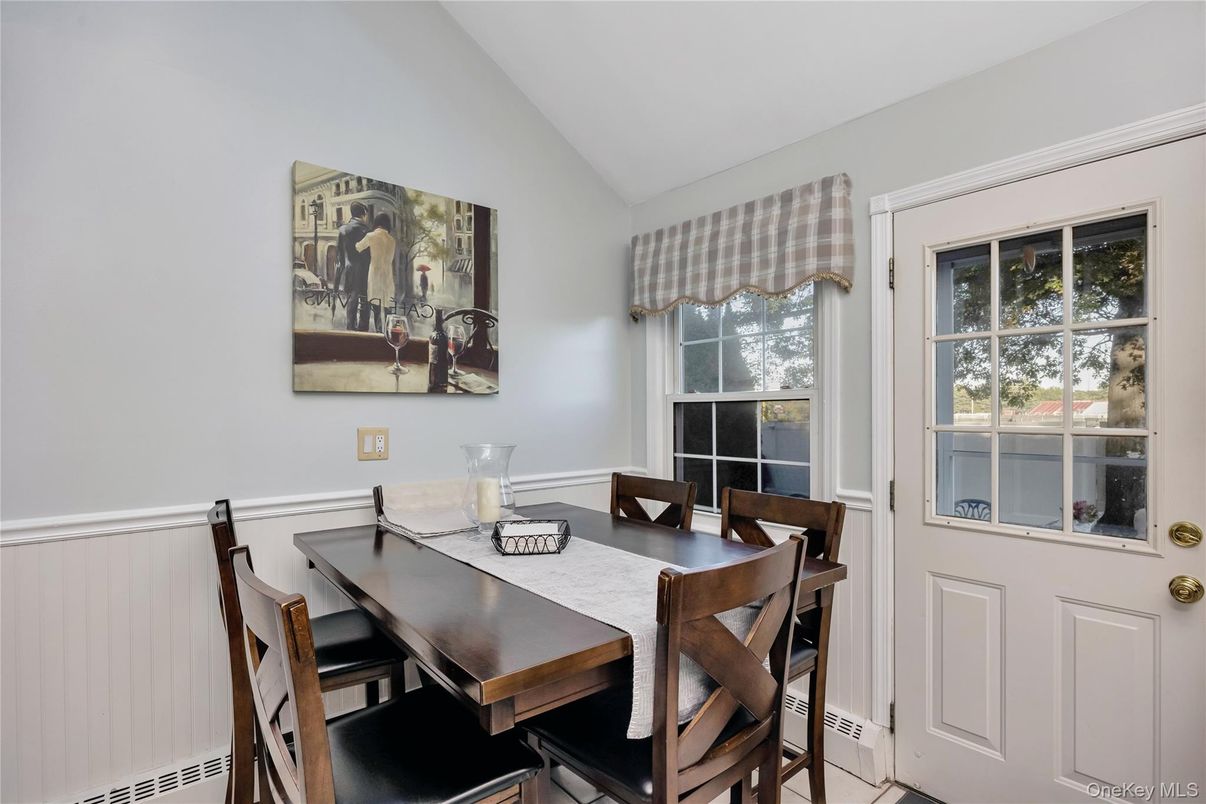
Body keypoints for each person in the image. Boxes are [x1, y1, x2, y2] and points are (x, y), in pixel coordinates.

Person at [356, 213, 398, 333]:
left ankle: (379, 332)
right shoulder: (392, 240)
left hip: (375, 274)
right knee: (388, 307)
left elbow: (359, 247)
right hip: (388, 276)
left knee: (376, 306)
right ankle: (388, 333)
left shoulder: (371, 235)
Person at [336, 202, 371, 330]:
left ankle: (350, 329)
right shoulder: (367, 230)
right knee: (364, 301)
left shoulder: (343, 230)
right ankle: (363, 331)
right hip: (364, 272)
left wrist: (338, 277)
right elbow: (369, 255)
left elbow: (339, 257)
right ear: (363, 214)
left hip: (349, 270)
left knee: (351, 300)